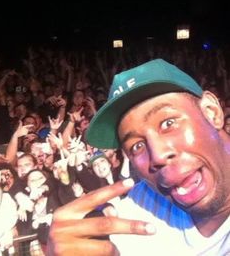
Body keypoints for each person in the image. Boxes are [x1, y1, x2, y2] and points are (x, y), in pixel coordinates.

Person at [48, 59, 230, 255]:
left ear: (212, 112)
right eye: (137, 146)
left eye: (168, 123)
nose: (158, 155)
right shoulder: (139, 207)